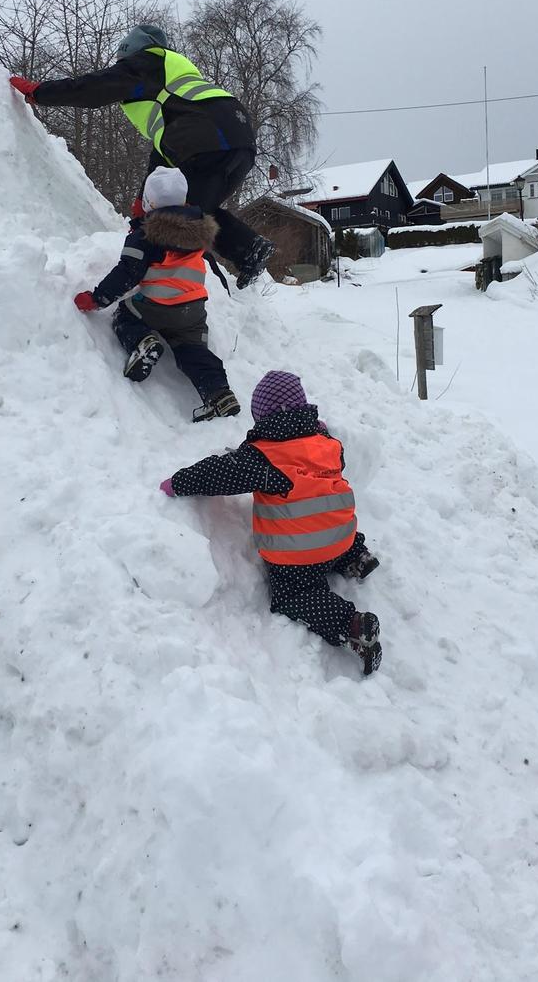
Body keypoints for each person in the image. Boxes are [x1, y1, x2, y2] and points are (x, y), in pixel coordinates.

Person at [8, 24, 275, 288]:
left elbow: (92, 88)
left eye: (120, 62)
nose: (119, 67)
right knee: (193, 210)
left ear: (131, 53)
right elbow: (162, 153)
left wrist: (39, 92)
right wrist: (141, 198)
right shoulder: (171, 79)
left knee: (177, 223)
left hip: (208, 140)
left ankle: (207, 288)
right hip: (237, 140)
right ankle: (249, 250)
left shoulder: (147, 63)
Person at [159, 370, 382, 674]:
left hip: (300, 558)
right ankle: (357, 557)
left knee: (293, 595)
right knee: (325, 509)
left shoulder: (263, 458)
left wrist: (179, 482)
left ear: (263, 417)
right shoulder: (327, 442)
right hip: (343, 537)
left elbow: (217, 474)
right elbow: (328, 461)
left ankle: (353, 626)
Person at [73, 165, 241, 422]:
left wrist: (98, 298)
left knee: (125, 315)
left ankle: (142, 341)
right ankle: (219, 393)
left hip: (154, 307)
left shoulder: (146, 235)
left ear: (149, 201)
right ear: (184, 200)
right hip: (193, 310)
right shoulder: (198, 232)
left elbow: (127, 273)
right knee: (192, 349)